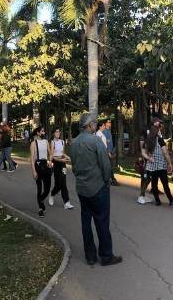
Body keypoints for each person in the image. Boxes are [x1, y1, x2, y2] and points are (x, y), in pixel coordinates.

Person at [68, 113, 122, 266]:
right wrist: (106, 181)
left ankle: (90, 256)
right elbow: (105, 165)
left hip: (82, 188)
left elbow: (74, 167)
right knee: (102, 221)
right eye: (95, 123)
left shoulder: (74, 143)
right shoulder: (95, 141)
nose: (96, 125)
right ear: (90, 125)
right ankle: (106, 256)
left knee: (86, 222)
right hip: (98, 187)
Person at [143, 121, 173, 207]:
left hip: (152, 165)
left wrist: (148, 158)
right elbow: (165, 153)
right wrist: (169, 163)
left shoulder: (147, 140)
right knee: (165, 183)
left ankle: (157, 200)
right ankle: (171, 200)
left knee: (154, 184)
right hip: (161, 165)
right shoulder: (160, 140)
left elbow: (143, 152)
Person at [30, 126, 53, 217]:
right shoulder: (33, 143)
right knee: (39, 188)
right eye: (42, 131)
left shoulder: (46, 141)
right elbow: (32, 159)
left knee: (47, 189)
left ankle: (41, 200)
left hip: (45, 165)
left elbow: (50, 153)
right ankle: (40, 208)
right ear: (38, 133)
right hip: (38, 165)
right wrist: (33, 171)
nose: (44, 133)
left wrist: (50, 161)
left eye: (44, 131)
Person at [49, 129, 74, 210]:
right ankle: (52, 194)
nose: (58, 133)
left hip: (62, 164)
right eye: (56, 132)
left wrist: (67, 157)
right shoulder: (52, 142)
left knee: (63, 182)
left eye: (59, 132)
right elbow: (52, 156)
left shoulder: (62, 141)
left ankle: (67, 203)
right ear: (53, 133)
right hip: (56, 163)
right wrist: (60, 160)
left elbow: (62, 153)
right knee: (58, 183)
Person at [96, 120, 118, 186]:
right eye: (108, 122)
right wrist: (108, 152)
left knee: (108, 167)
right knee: (107, 167)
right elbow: (102, 145)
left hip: (107, 152)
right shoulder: (100, 133)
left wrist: (112, 150)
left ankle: (109, 180)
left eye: (110, 122)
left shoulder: (105, 132)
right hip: (104, 153)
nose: (110, 124)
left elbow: (109, 142)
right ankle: (110, 180)